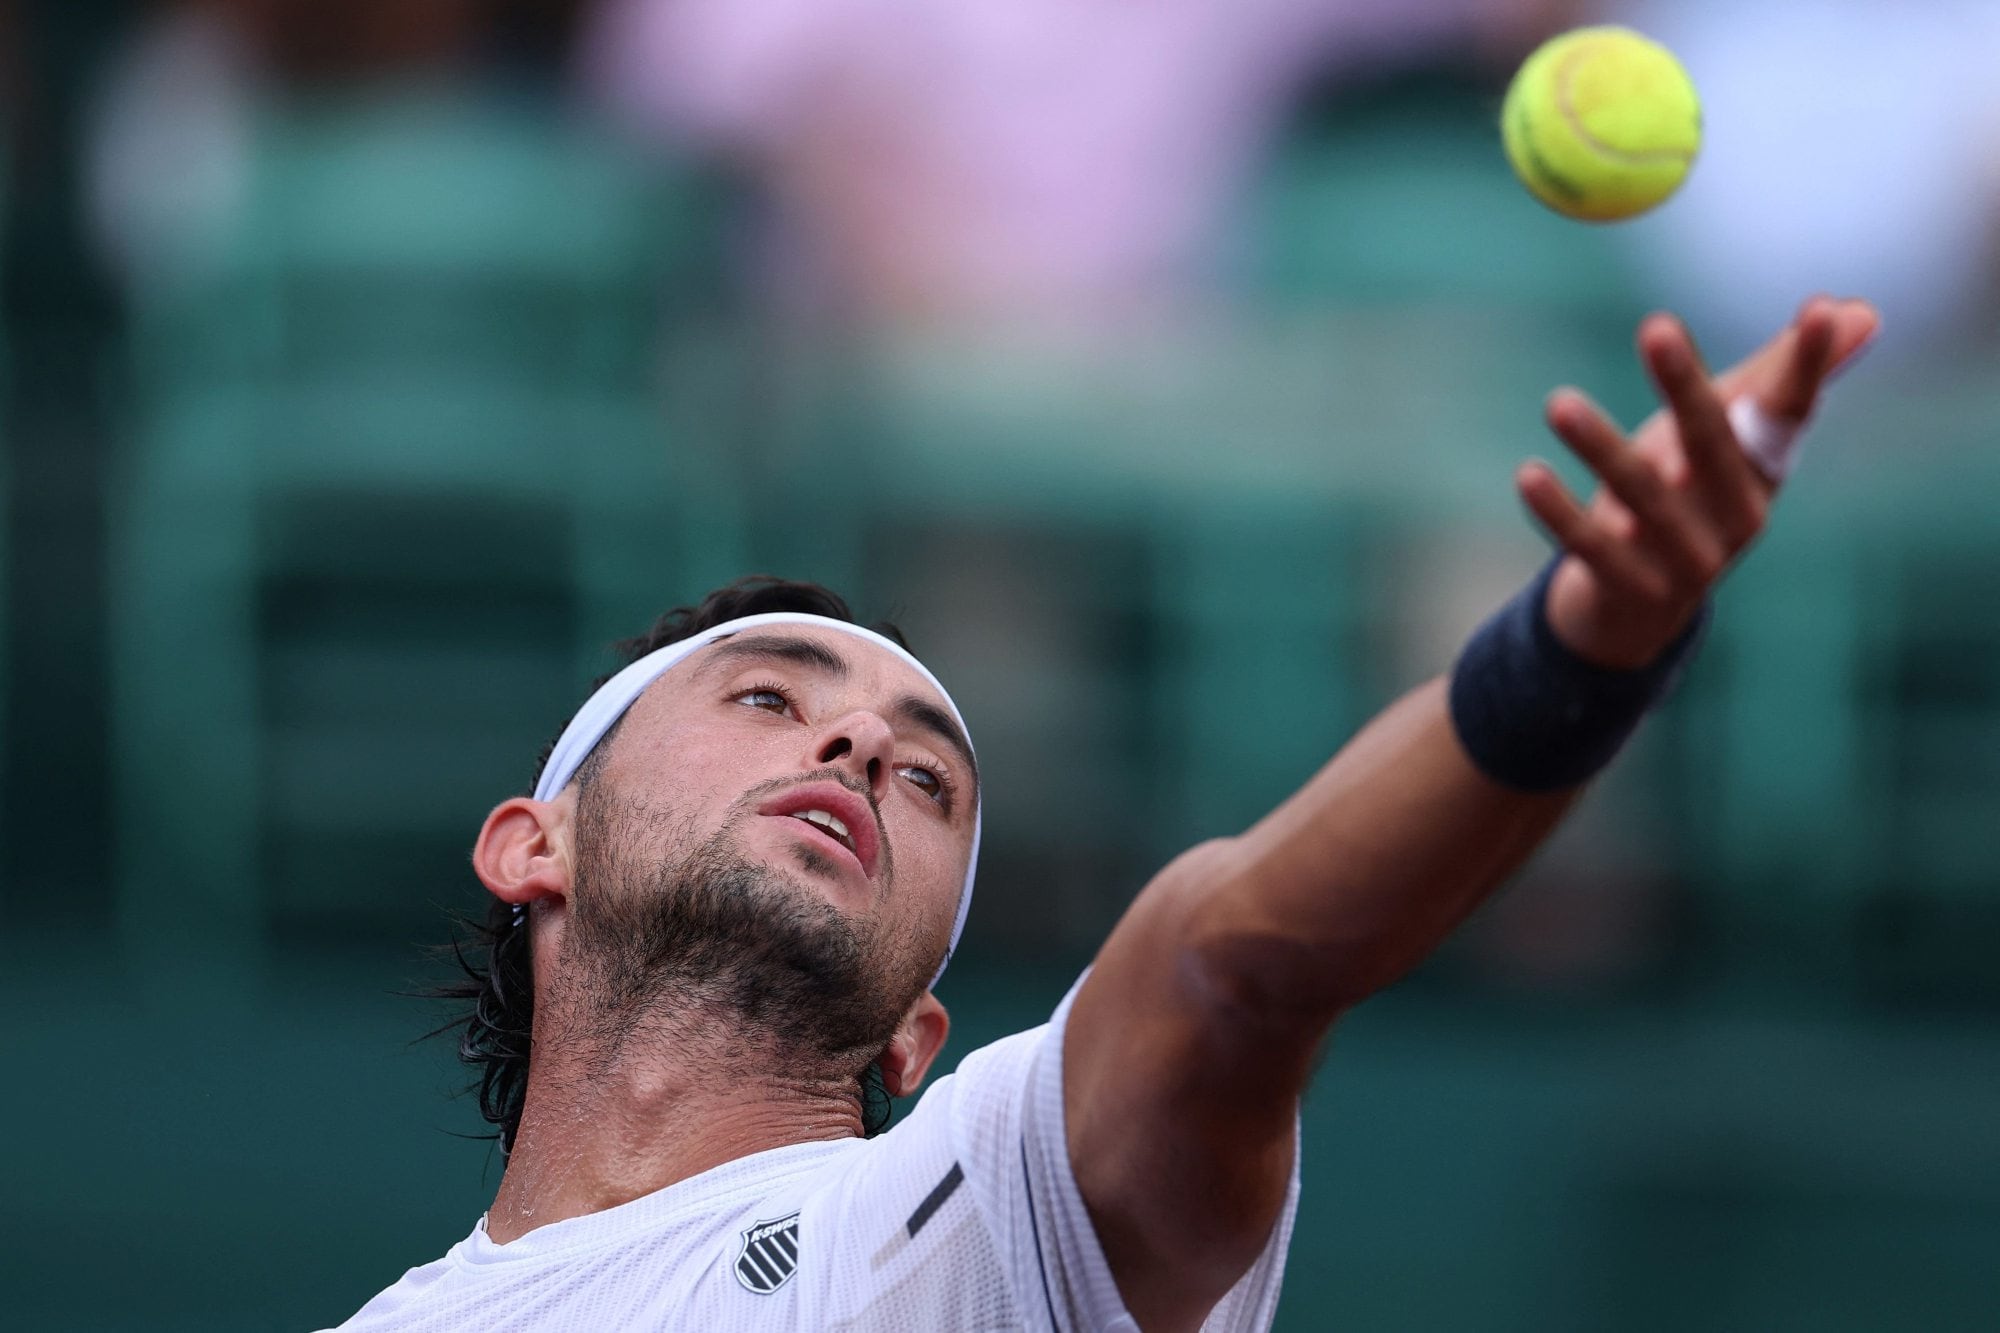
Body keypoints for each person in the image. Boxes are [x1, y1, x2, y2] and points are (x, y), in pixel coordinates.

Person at [331, 297, 1879, 1331]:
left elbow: (1233, 967)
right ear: (537, 842)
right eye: (766, 699)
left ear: (917, 1039)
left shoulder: (968, 1221)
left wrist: (1576, 656)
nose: (864, 736)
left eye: (930, 776)